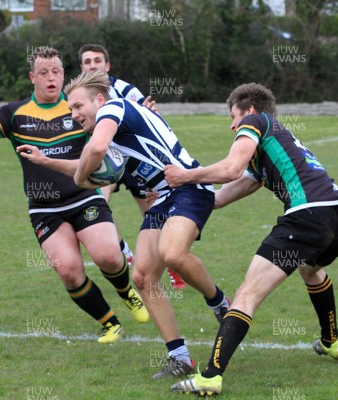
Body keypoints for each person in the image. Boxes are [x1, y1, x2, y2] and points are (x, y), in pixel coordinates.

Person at [0, 46, 148, 344]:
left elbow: (111, 134)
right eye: (44, 72)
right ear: (33, 77)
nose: (51, 78)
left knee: (108, 255)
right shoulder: (15, 114)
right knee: (69, 271)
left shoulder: (78, 108)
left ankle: (126, 292)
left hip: (84, 196)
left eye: (56, 71)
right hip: (44, 209)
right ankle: (110, 324)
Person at [164, 82, 338, 396]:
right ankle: (331, 341)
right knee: (310, 269)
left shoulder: (257, 122)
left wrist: (185, 175)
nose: (232, 125)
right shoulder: (269, 149)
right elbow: (218, 198)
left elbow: (230, 168)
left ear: (250, 111)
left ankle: (210, 377)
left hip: (309, 215)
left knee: (248, 293)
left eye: (234, 116)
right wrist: (174, 192)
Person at [65, 70, 231, 380]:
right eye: (70, 109)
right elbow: (106, 161)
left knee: (172, 253)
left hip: (189, 186)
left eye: (77, 106)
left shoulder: (113, 109)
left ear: (99, 99)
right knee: (142, 277)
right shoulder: (114, 122)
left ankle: (221, 304)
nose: (74, 114)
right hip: (165, 196)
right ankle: (179, 356)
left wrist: (79, 179)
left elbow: (96, 151)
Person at [78, 43, 187, 289]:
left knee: (151, 209)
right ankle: (125, 253)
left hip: (133, 159)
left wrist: (150, 113)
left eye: (97, 60)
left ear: (107, 65)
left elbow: (152, 121)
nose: (93, 65)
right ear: (81, 67)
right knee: (98, 205)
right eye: (87, 61)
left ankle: (173, 263)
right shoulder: (78, 96)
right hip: (104, 161)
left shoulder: (125, 90)